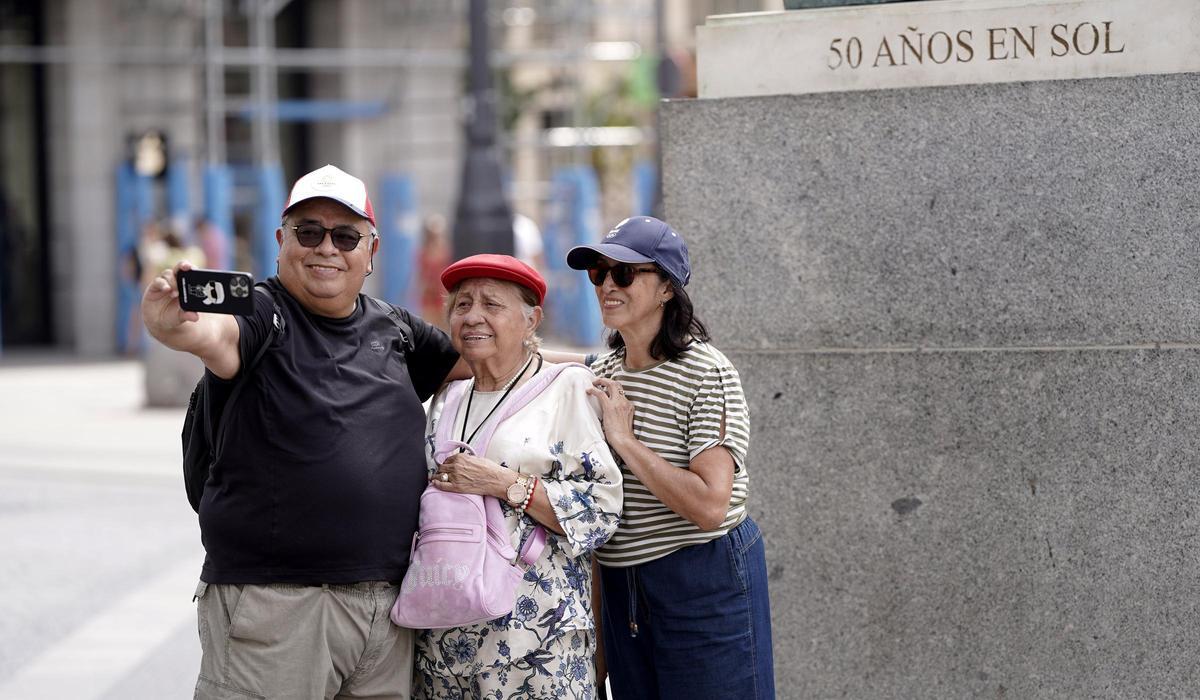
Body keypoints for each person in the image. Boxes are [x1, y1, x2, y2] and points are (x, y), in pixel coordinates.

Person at [141, 164, 460, 699]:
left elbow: (495, 365)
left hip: (387, 611)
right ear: (281, 241)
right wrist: (170, 322)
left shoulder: (395, 327)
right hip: (278, 609)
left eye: (345, 236)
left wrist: (611, 366)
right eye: (308, 232)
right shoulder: (262, 312)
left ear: (371, 250)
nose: (326, 248)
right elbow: (210, 334)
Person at [566, 216, 775, 699]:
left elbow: (709, 507)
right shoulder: (605, 370)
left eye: (624, 274)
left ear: (666, 288)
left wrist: (626, 442)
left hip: (702, 577)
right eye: (599, 273)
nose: (606, 286)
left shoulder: (708, 372)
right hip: (625, 590)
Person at [414, 254, 623, 700]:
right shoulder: (444, 400)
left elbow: (602, 510)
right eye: (462, 304)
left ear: (532, 321)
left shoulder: (567, 388)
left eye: (492, 304)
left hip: (536, 644)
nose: (473, 316)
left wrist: (503, 482)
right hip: (446, 645)